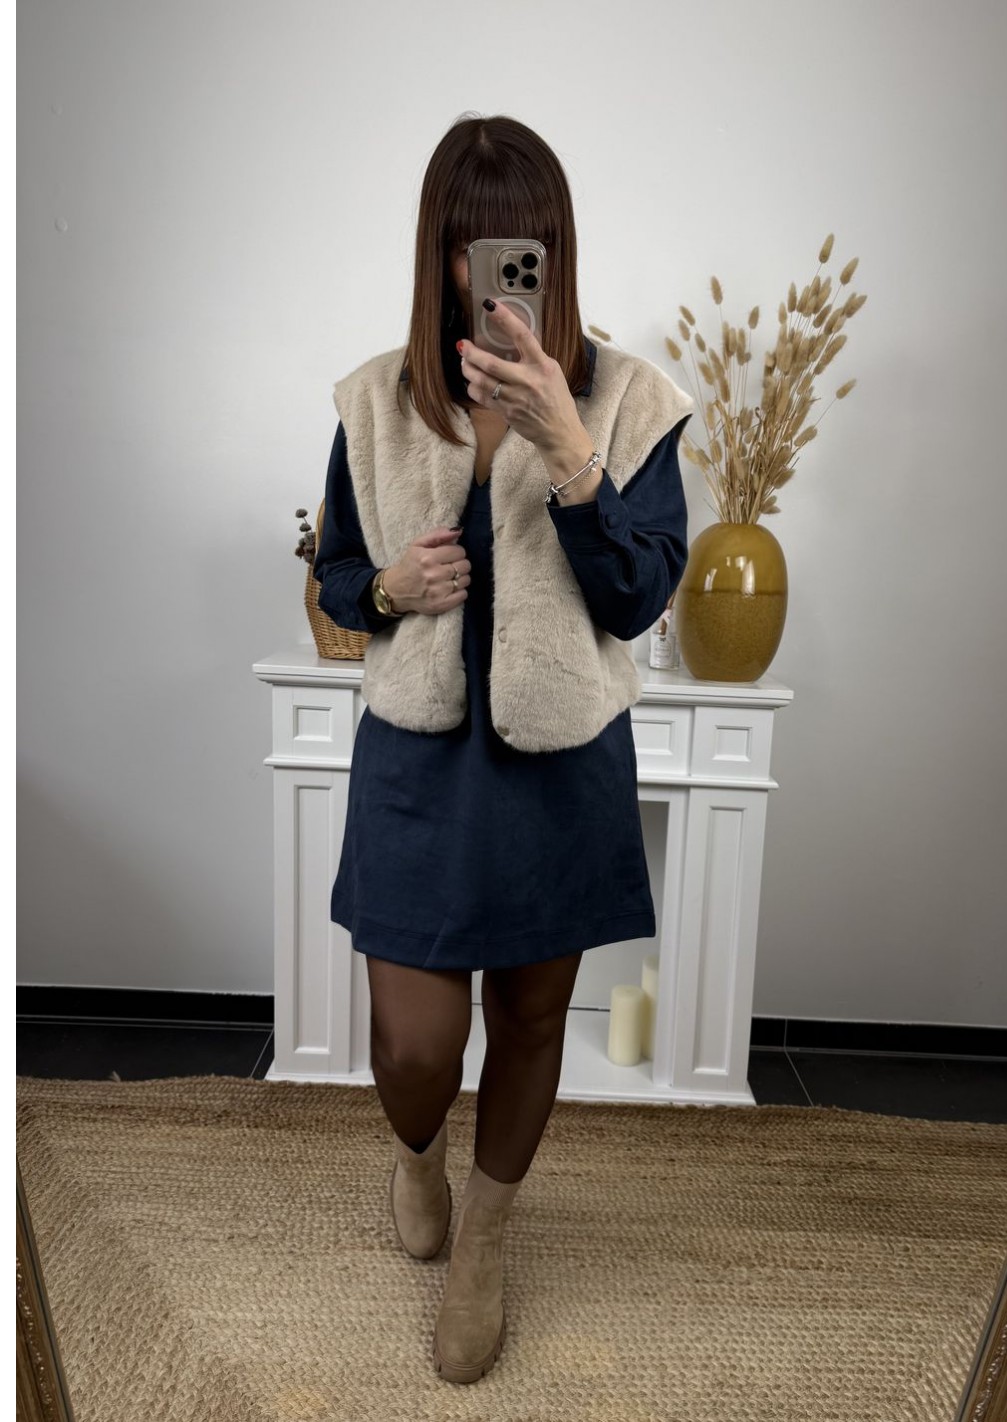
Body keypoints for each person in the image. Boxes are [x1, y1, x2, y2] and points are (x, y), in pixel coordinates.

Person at [312, 113, 694, 1386]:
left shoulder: (629, 401)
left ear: (552, 254)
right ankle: (416, 1154)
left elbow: (638, 599)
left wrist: (569, 451)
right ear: (439, 253)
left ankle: (483, 1244)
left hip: (558, 761)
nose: (493, 274)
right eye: (468, 246)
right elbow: (339, 573)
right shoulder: (374, 398)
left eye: (517, 248)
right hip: (417, 764)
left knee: (531, 1020)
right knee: (414, 1050)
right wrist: (387, 590)